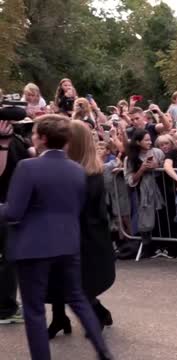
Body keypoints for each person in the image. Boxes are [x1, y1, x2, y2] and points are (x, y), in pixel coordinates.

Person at [0, 115, 112, 359]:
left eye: (34, 133)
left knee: (34, 311)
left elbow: (14, 211)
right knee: (79, 300)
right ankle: (103, 352)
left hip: (33, 247)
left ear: (42, 138)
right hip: (68, 244)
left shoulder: (28, 167)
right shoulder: (76, 170)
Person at [48, 120, 116, 338]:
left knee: (79, 282)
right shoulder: (69, 170)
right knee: (57, 278)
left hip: (86, 238)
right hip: (66, 234)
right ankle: (59, 317)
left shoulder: (90, 176)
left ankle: (99, 313)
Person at [0, 118, 30, 326]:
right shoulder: (4, 139)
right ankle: (6, 308)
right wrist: (2, 144)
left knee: (11, 257)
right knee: (7, 258)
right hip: (3, 205)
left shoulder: (18, 137)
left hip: (14, 204)